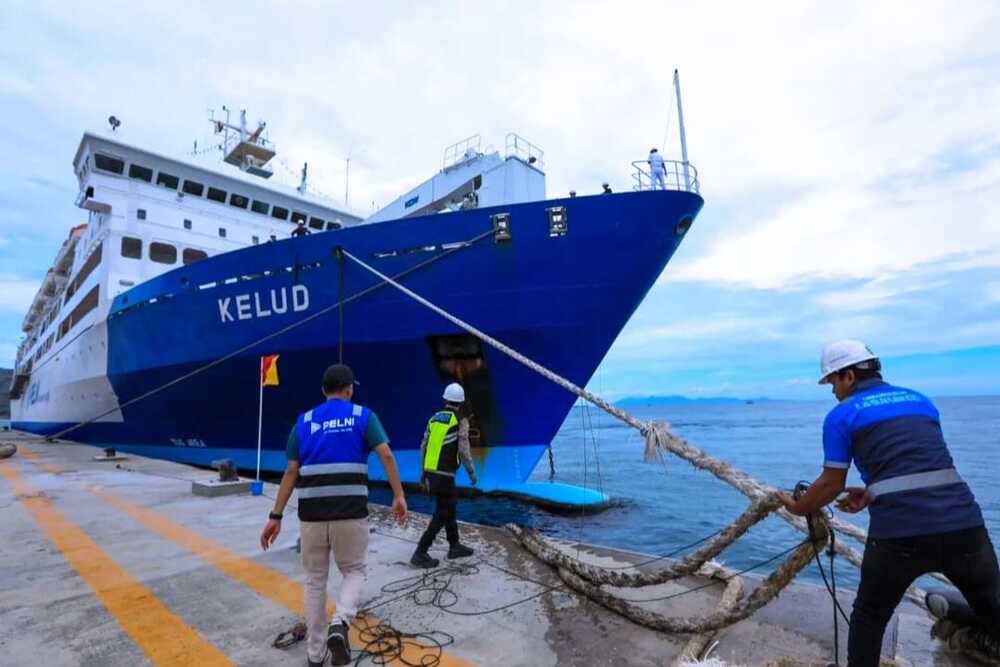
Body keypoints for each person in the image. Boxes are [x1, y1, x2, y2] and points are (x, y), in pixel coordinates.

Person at [779, 340, 1000, 666]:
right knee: (993, 607)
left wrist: (797, 507)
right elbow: (917, 464)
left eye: (832, 382)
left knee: (870, 614)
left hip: (900, 534)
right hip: (964, 524)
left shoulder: (841, 415)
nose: (832, 391)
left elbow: (829, 484)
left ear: (849, 376)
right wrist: (873, 492)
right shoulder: (921, 402)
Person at [260, 363, 408, 667]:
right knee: (353, 570)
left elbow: (291, 470)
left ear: (322, 391)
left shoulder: (303, 421)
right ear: (350, 389)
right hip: (350, 514)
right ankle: (340, 623)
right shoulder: (362, 416)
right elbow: (386, 454)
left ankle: (315, 655)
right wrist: (398, 495)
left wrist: (275, 516)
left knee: (315, 580)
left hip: (311, 516)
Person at [410, 382, 478, 568]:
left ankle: (454, 545)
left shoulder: (434, 418)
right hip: (445, 473)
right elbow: (463, 450)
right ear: (461, 402)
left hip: (432, 472)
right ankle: (420, 552)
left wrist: (423, 473)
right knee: (443, 512)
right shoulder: (460, 420)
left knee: (449, 506)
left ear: (445, 399)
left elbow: (424, 445)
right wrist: (471, 472)